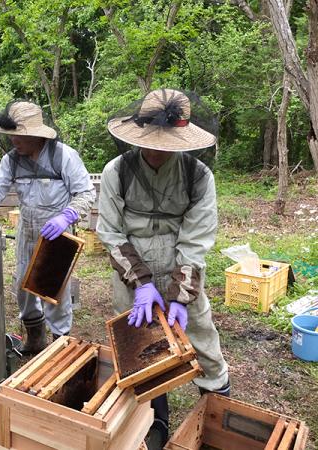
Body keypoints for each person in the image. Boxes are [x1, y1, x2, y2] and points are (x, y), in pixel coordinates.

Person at [96, 88, 230, 449]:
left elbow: (196, 240)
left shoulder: (198, 176)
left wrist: (181, 296)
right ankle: (155, 423)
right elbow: (109, 231)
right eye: (151, 142)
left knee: (201, 336)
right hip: (130, 263)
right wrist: (140, 281)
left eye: (166, 144)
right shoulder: (117, 171)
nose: (156, 150)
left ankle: (217, 417)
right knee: (140, 344)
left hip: (179, 261)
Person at [0, 100, 96, 354]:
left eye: (19, 136)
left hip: (57, 234)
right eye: (10, 136)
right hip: (27, 229)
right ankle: (35, 339)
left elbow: (86, 193)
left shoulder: (64, 156)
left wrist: (66, 216)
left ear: (35, 135)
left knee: (55, 292)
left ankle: (60, 346)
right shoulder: (12, 160)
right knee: (23, 287)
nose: (14, 141)